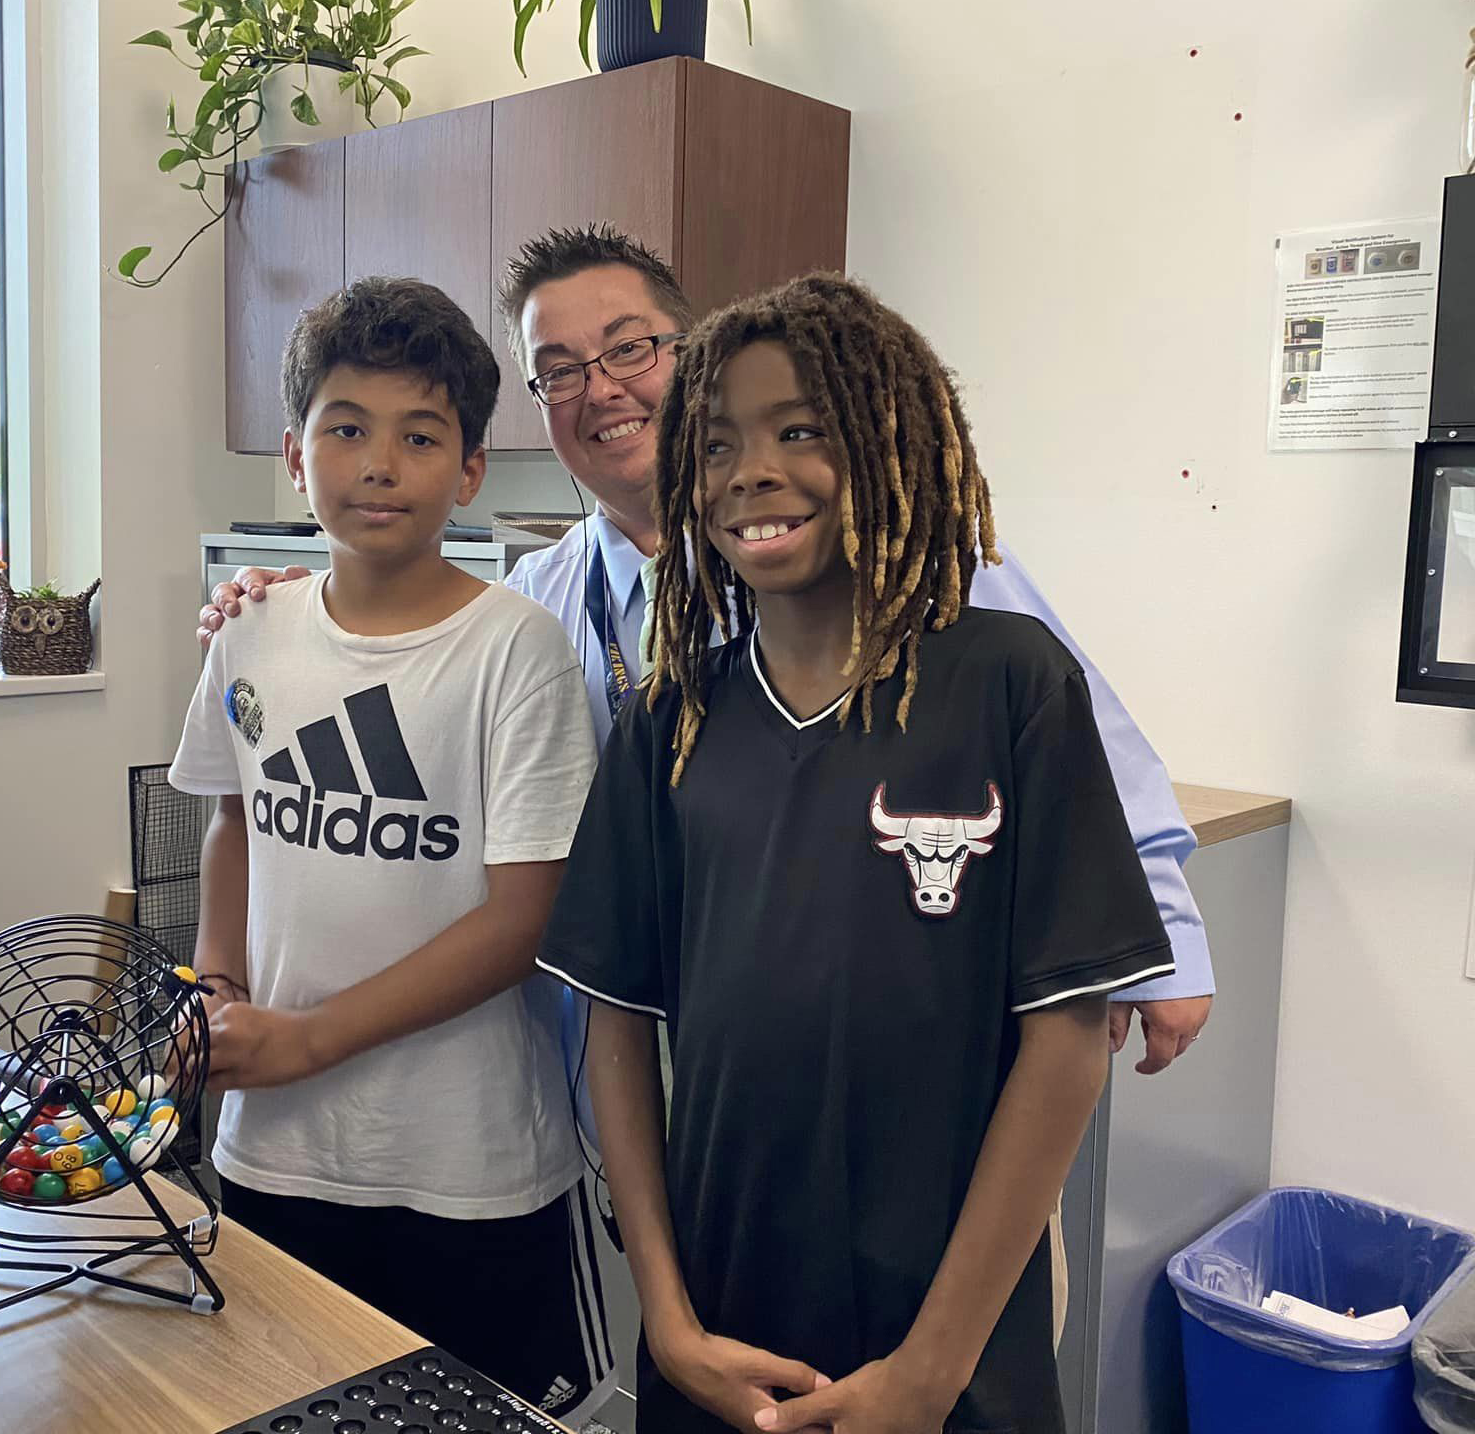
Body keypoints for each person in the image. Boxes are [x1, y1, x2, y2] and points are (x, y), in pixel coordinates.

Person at [200, 227, 1212, 1075]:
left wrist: (1167, 941)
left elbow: (1081, 743)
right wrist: (293, 599)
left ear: (693, 351)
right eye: (557, 371)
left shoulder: (882, 552)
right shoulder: (536, 603)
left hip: (876, 1043)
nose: (600, 390)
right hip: (628, 1052)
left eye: (630, 349)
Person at [536, 273, 1176, 1434]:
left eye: (801, 431)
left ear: (891, 443)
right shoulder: (670, 720)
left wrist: (930, 1374)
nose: (752, 472)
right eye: (718, 443)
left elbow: (1070, 1041)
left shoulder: (1009, 683)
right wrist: (668, 1325)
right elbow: (617, 1025)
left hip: (949, 1340)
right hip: (722, 1327)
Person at [169, 277, 612, 1424]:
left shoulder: (518, 646)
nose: (380, 464)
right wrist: (219, 987)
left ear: (468, 471)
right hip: (273, 1151)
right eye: (347, 429)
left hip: (467, 1169)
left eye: (422, 437)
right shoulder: (252, 629)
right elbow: (234, 823)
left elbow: (523, 921)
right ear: (294, 453)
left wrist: (308, 1038)